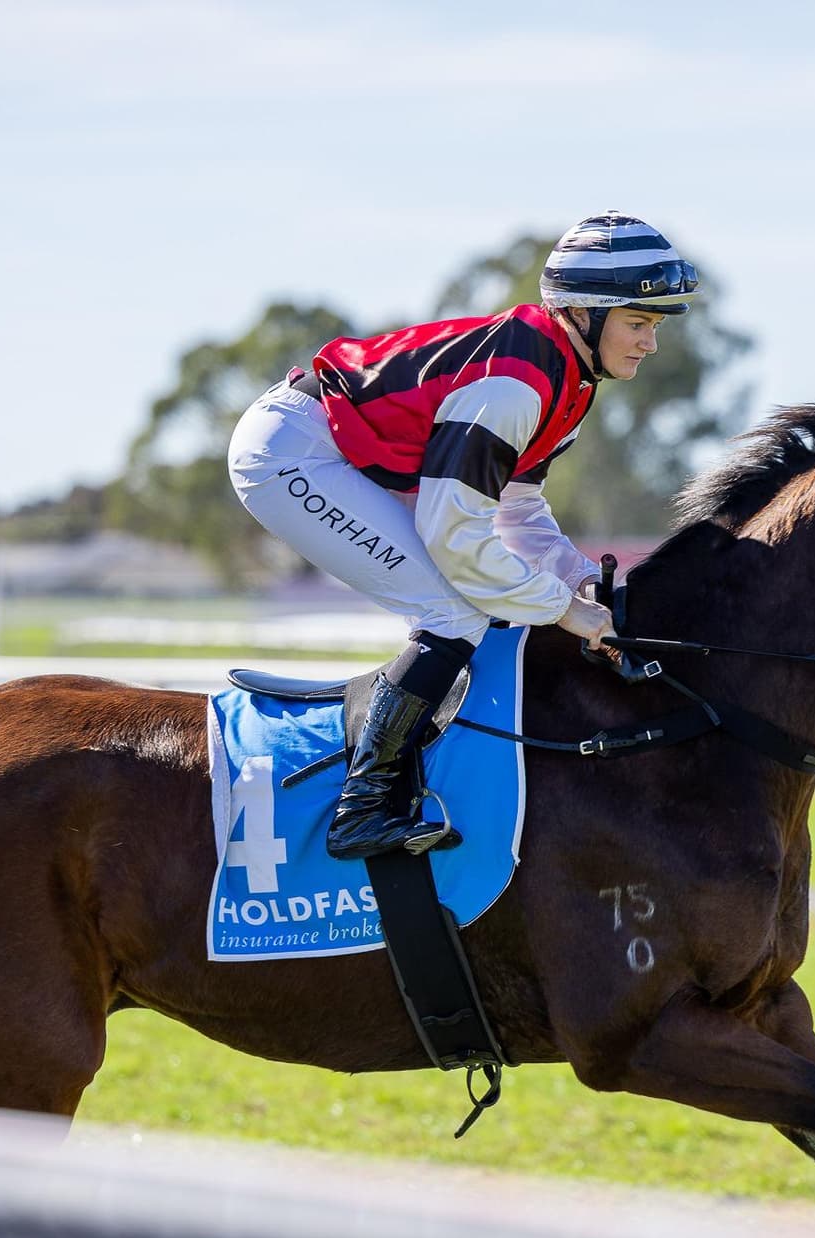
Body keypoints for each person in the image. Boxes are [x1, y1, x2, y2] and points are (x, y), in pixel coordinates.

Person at [227, 212, 700, 860]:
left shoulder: (568, 382)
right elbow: (455, 538)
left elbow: (519, 512)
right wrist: (570, 612)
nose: (650, 342)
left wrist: (580, 581)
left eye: (655, 326)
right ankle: (361, 809)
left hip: (326, 446)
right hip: (292, 454)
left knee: (478, 603)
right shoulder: (517, 384)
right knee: (453, 608)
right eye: (638, 322)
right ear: (583, 314)